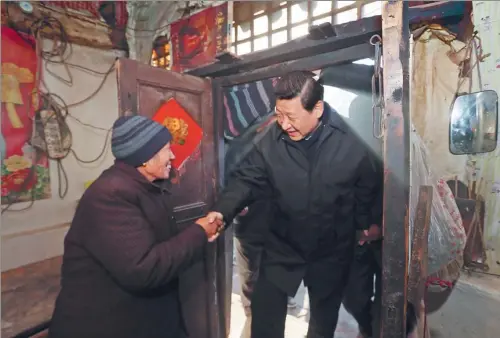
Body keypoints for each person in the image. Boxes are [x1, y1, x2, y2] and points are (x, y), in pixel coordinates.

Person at [207, 71, 381, 338]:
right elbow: (245, 179)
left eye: (292, 117)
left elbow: (366, 188)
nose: (284, 124)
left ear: (317, 109)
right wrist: (222, 211)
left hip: (330, 251)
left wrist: (363, 225)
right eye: (279, 114)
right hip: (282, 247)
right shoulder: (269, 140)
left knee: (322, 323)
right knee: (264, 321)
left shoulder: (352, 142)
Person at [48, 115, 222, 338]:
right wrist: (198, 232)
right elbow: (143, 269)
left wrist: (201, 228)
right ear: (145, 157)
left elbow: (157, 239)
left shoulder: (145, 186)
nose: (172, 155)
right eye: (166, 149)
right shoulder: (110, 195)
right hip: (106, 325)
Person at [225, 114, 296, 338]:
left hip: (271, 230)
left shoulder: (286, 143)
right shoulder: (245, 142)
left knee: (268, 291)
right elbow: (232, 179)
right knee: (254, 288)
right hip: (252, 229)